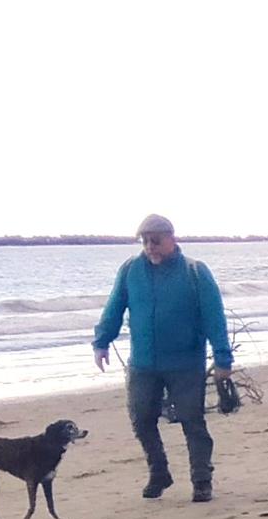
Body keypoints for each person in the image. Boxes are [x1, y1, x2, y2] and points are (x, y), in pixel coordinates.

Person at [91, 214, 233, 502]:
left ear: (172, 238)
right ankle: (159, 472)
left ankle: (202, 480)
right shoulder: (131, 270)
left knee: (192, 421)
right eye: (145, 241)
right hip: (143, 363)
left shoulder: (195, 272)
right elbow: (115, 306)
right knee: (141, 418)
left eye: (155, 241)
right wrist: (102, 341)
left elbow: (214, 316)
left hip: (185, 363)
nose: (150, 247)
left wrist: (222, 359)